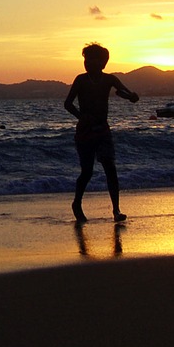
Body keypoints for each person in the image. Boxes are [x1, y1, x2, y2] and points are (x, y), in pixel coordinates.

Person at [64, 43, 139, 223]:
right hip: (85, 131)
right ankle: (77, 203)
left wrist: (131, 96)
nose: (88, 63)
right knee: (87, 171)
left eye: (92, 59)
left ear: (103, 63)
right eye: (86, 59)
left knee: (110, 169)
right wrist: (81, 117)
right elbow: (68, 103)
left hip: (103, 130)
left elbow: (128, 93)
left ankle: (116, 210)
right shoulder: (80, 80)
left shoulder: (109, 79)